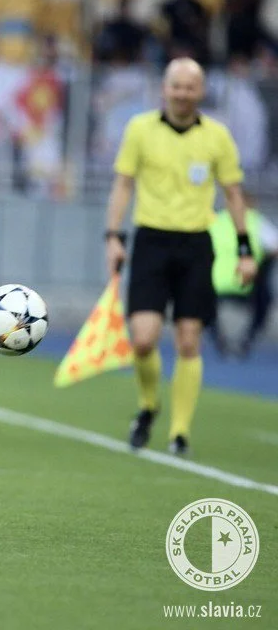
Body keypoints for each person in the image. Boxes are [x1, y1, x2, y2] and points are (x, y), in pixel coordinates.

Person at [104, 58, 257, 456]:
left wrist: (244, 249)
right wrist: (113, 236)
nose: (183, 93)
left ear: (200, 92)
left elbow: (233, 193)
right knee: (143, 340)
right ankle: (148, 405)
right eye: (177, 85)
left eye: (190, 87)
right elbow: (123, 184)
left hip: (195, 245)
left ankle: (180, 432)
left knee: (189, 342)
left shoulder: (217, 136)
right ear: (164, 88)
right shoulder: (140, 129)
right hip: (151, 241)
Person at [208, 197, 277, 357]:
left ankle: (218, 339)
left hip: (215, 283)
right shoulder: (255, 221)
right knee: (264, 299)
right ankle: (247, 339)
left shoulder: (216, 221)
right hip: (246, 282)